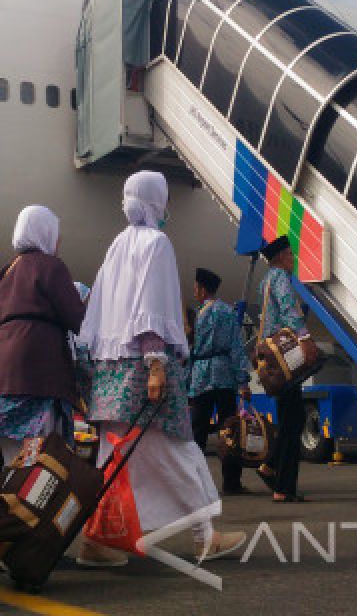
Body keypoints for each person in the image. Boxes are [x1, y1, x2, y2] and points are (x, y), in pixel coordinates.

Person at [75, 170, 245, 567]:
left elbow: (98, 315)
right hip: (144, 372)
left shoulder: (116, 246)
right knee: (179, 453)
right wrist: (156, 364)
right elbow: (150, 309)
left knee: (115, 461)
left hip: (110, 375)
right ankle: (206, 538)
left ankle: (96, 541)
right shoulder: (156, 244)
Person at [0, 205, 86, 468]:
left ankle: (12, 505)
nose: (59, 241)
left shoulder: (7, 270)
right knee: (40, 465)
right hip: (39, 380)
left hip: (1, 381)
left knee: (13, 462)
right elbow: (78, 318)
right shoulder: (51, 267)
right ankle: (27, 507)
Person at [255, 234, 311, 504]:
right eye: (290, 254)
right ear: (279, 258)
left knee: (290, 416)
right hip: (285, 358)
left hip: (272, 359)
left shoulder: (265, 282)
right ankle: (283, 486)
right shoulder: (279, 279)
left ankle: (271, 466)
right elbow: (289, 310)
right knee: (293, 420)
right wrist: (305, 338)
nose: (293, 259)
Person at [187, 267, 252, 495]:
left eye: (196, 287)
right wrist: (242, 381)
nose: (194, 291)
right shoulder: (228, 312)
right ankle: (231, 482)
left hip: (201, 377)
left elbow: (189, 351)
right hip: (224, 377)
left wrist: (186, 382)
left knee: (197, 433)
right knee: (230, 431)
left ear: (203, 289)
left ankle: (195, 486)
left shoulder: (196, 315)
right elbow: (236, 347)